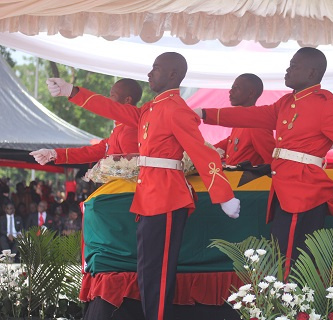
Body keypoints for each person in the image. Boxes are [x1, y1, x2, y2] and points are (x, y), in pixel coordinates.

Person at [43, 52, 240, 320]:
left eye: (156, 68)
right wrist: (71, 91)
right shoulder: (151, 108)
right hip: (149, 197)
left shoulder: (177, 109)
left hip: (169, 197)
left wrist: (223, 195)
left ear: (173, 74)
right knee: (148, 271)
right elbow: (113, 109)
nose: (149, 73)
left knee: (158, 274)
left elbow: (202, 153)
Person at [196, 47, 333, 276]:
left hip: (304, 190)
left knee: (292, 262)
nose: (288, 69)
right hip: (285, 187)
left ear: (312, 72)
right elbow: (250, 115)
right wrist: (205, 114)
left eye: (294, 65)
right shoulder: (286, 103)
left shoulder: (327, 105)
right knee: (283, 255)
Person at [31, 78, 145, 320]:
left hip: (127, 199)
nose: (108, 99)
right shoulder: (120, 127)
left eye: (112, 95)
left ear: (127, 100)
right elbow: (95, 150)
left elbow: (133, 168)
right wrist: (54, 154)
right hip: (117, 198)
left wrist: (72, 91)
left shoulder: (133, 121)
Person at [214, 73, 275, 166]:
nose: (230, 91)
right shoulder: (241, 121)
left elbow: (272, 161)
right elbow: (228, 143)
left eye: (236, 88)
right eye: (232, 87)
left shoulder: (256, 125)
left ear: (251, 93)